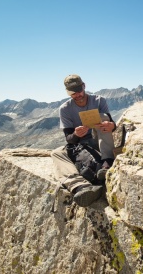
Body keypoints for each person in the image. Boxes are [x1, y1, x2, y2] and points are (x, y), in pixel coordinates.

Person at [51, 74, 116, 207]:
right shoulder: (65, 109)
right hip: (81, 144)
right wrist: (76, 134)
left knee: (103, 118)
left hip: (99, 141)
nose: (77, 94)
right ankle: (81, 186)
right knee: (56, 153)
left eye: (79, 90)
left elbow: (111, 124)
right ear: (68, 92)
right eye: (72, 92)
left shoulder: (99, 100)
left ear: (84, 86)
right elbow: (69, 139)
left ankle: (107, 163)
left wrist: (112, 126)